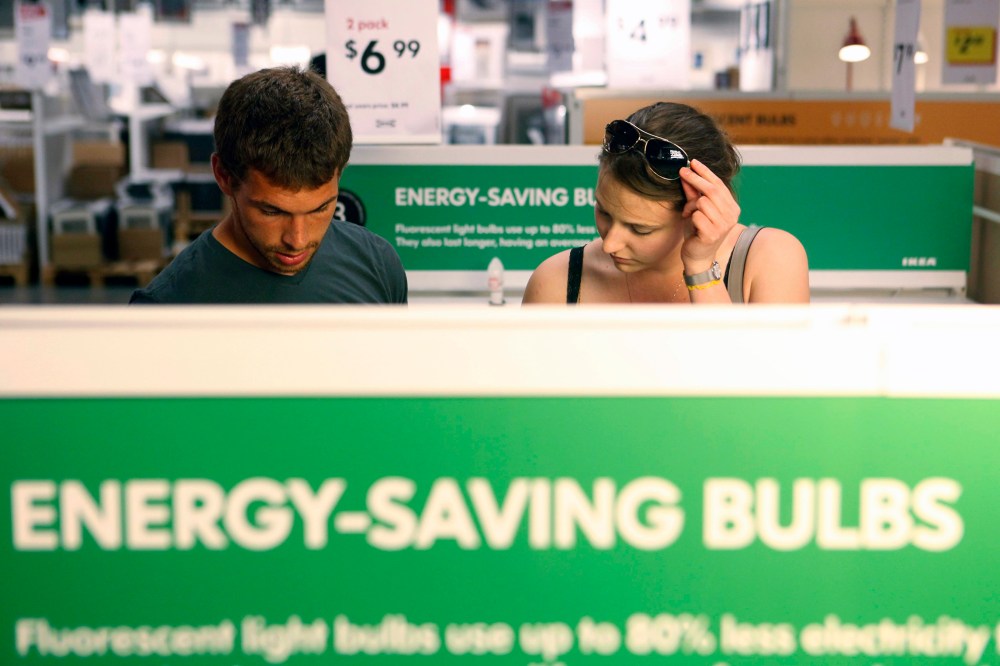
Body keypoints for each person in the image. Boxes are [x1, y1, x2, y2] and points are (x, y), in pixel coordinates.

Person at [130, 66, 407, 304]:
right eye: (272, 212)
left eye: (320, 208)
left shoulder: (377, 264)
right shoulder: (167, 306)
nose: (297, 240)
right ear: (224, 176)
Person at [522, 102, 808, 304]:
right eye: (604, 212)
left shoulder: (770, 259)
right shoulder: (556, 281)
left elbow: (748, 384)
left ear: (699, 211)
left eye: (640, 229)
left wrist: (700, 268)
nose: (610, 244)